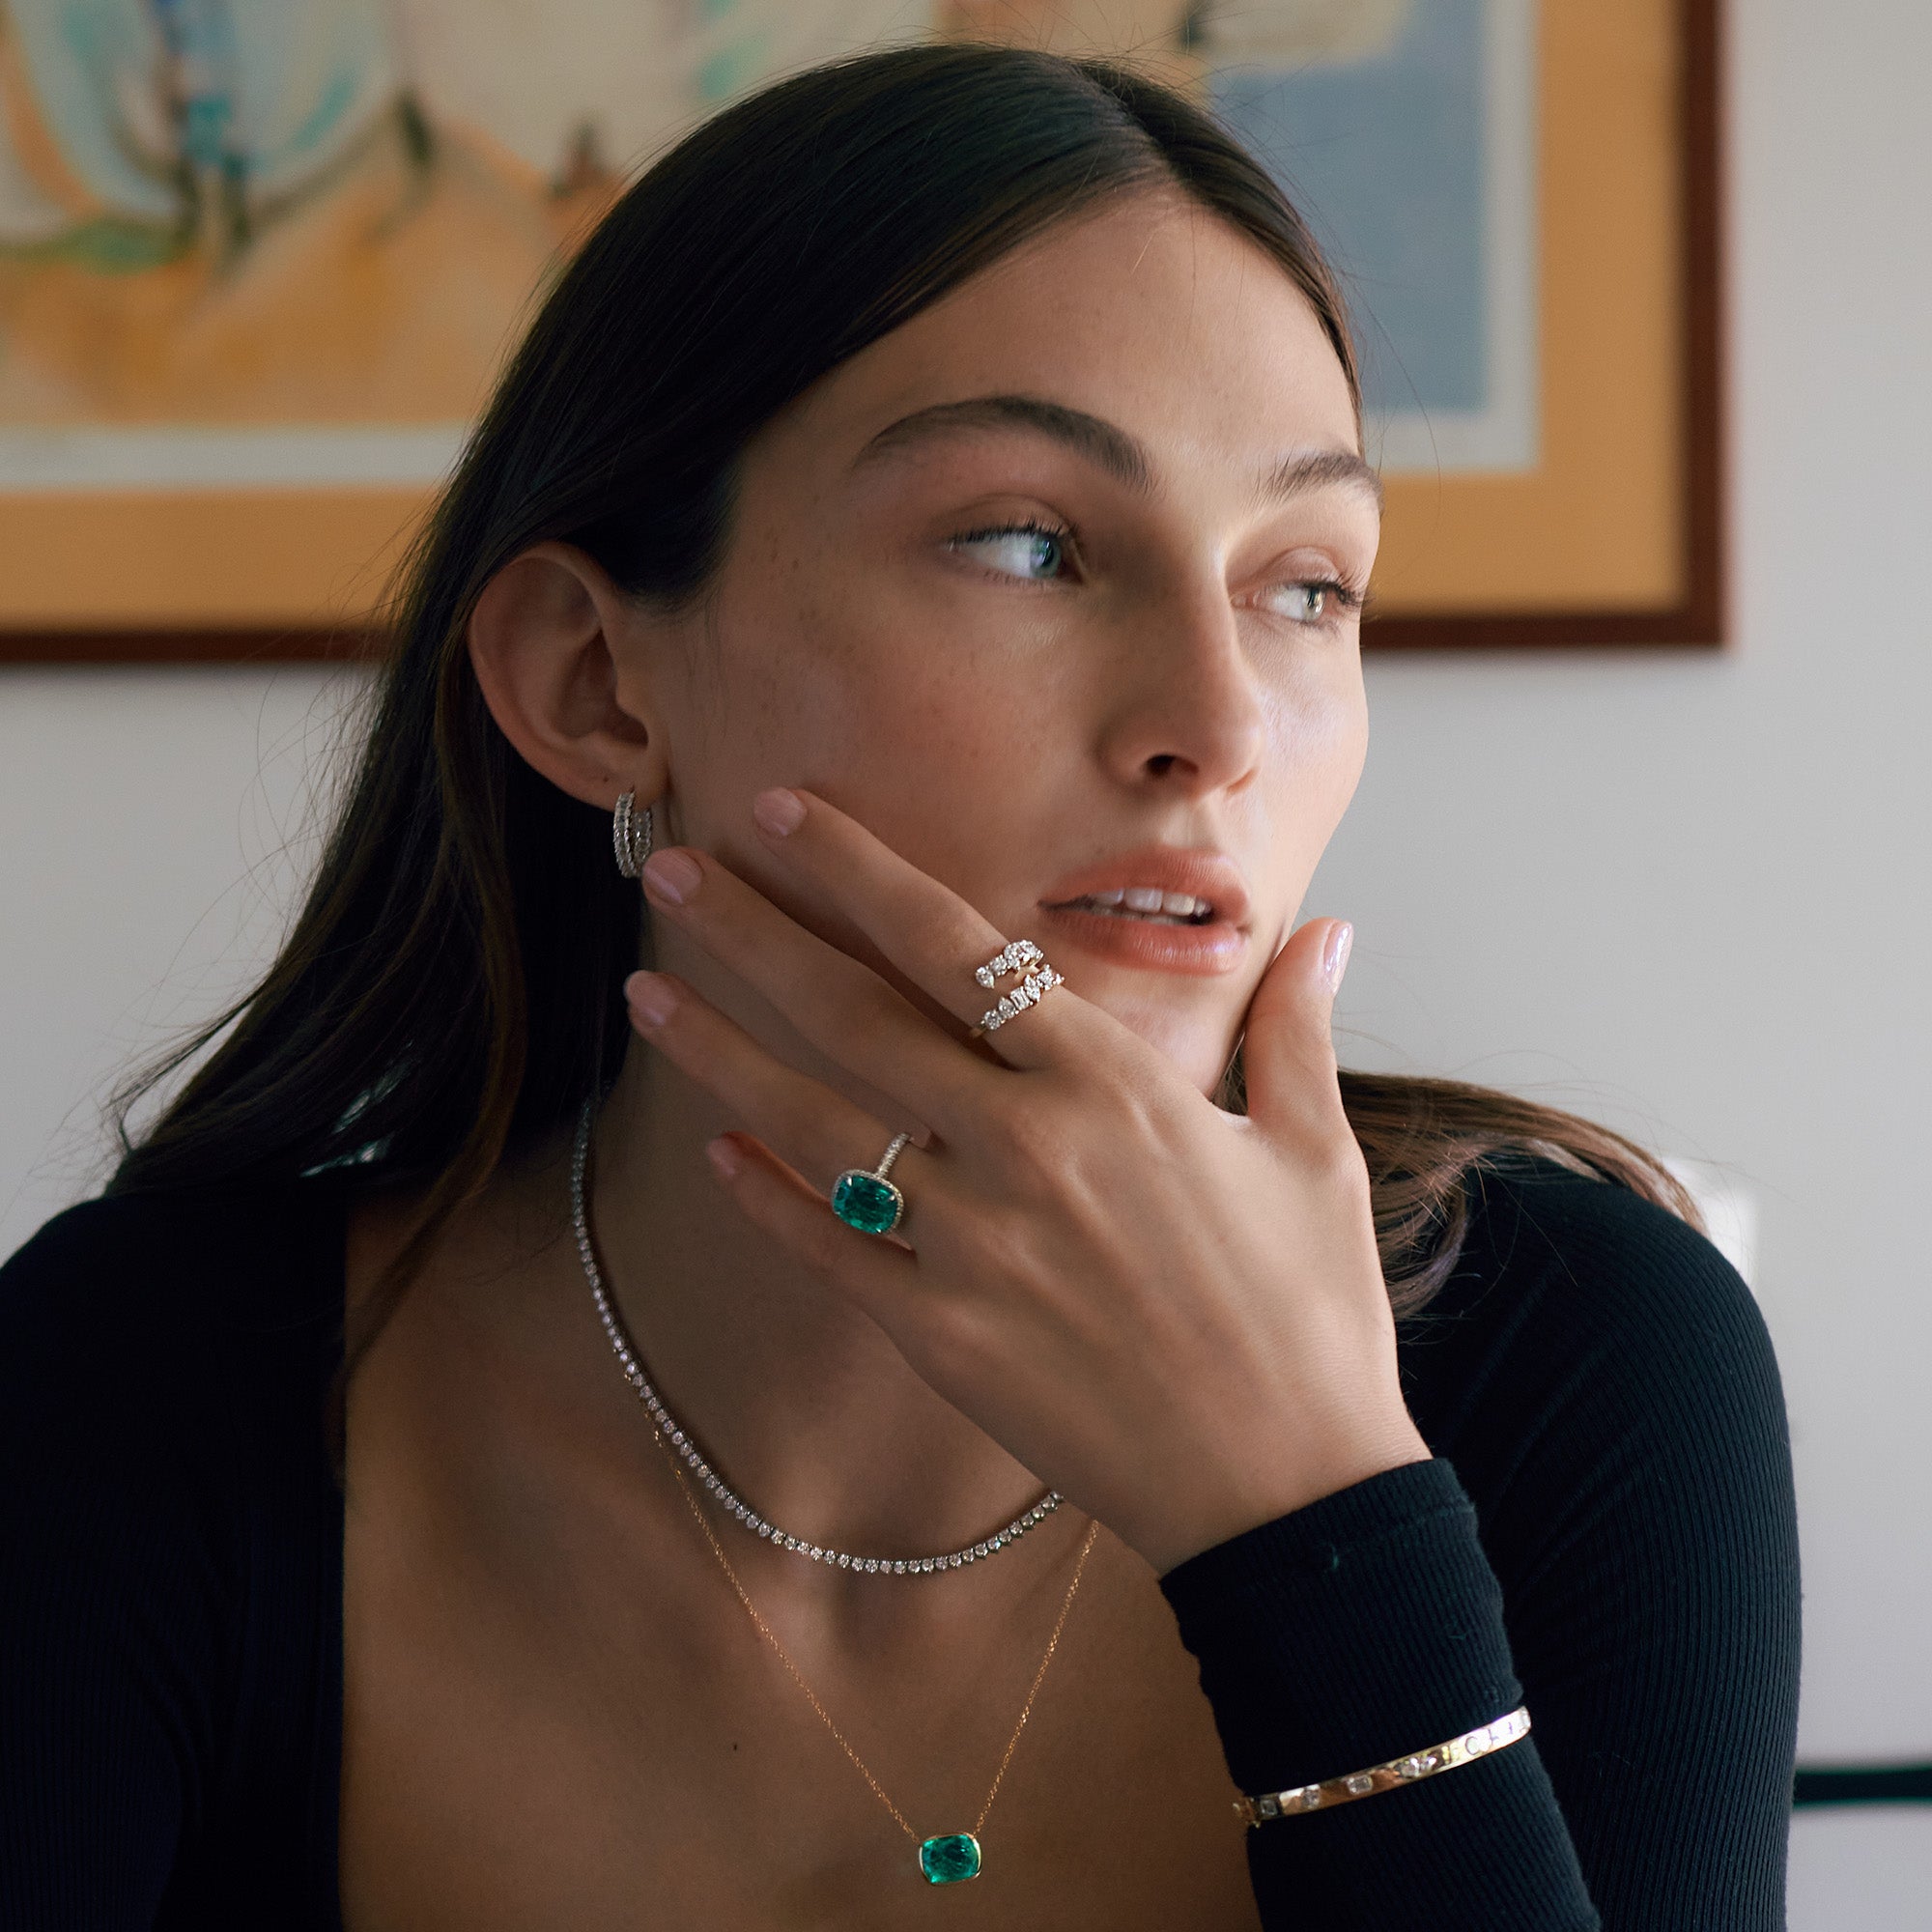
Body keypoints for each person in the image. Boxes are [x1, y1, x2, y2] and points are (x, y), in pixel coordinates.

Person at [0, 43, 1798, 1931]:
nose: (1217, 725)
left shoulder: (1580, 1354)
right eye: (1027, 543)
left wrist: (1318, 1528)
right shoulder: (145, 1395)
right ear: (598, 684)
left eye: (1304, 585)